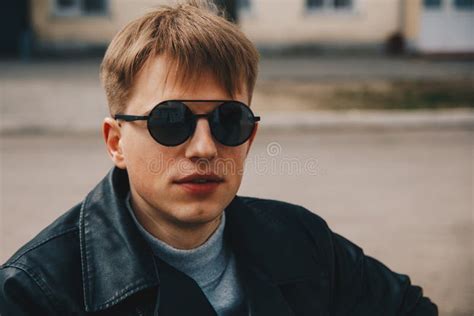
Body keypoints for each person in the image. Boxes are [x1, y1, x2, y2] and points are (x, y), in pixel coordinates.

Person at [0, 1, 438, 315]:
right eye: (171, 121)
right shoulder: (35, 291)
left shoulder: (303, 241)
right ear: (116, 142)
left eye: (230, 120)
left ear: (249, 138)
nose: (205, 147)